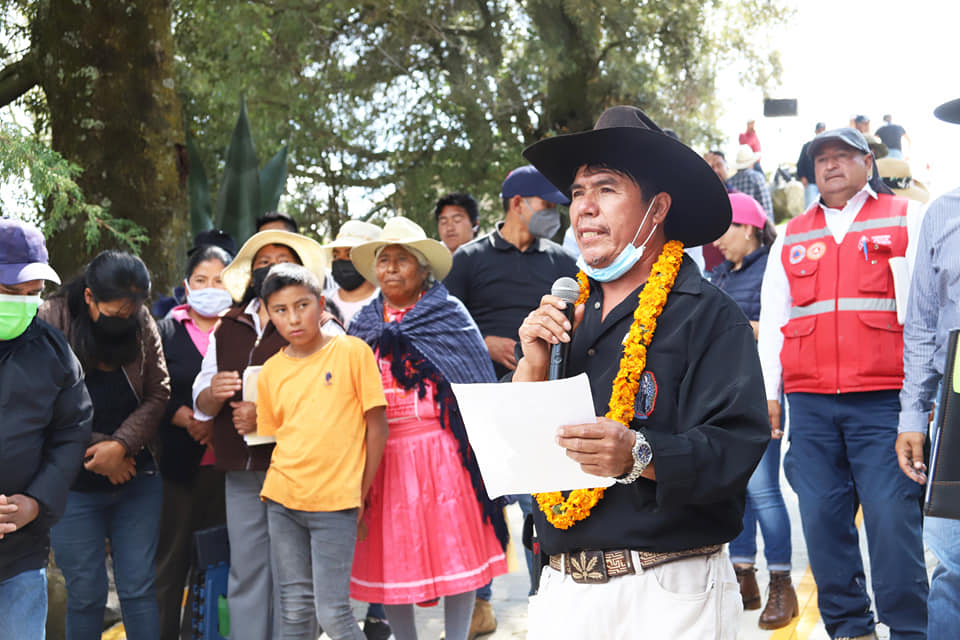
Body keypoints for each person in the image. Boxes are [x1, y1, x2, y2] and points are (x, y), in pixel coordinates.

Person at [515, 105, 769, 639]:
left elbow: (737, 446)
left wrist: (639, 454)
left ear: (657, 209)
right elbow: (526, 457)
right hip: (563, 589)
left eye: (605, 189)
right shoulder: (563, 315)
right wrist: (532, 367)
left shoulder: (707, 313)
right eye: (577, 193)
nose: (583, 208)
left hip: (668, 592)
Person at [758, 127, 928, 640]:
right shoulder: (790, 235)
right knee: (823, 523)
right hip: (809, 407)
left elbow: (923, 314)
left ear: (868, 163)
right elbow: (773, 318)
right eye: (822, 158)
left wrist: (918, 405)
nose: (831, 165)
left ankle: (908, 630)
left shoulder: (905, 218)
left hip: (883, 405)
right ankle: (850, 629)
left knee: (892, 523)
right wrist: (770, 393)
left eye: (843, 156)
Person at [348, 217, 509, 640]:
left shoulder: (447, 314)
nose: (390, 269)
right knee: (393, 558)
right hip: (383, 457)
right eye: (384, 260)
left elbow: (475, 381)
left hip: (442, 454)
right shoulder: (363, 323)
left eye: (401, 260)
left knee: (454, 552)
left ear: (424, 269)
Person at [192, 229, 328, 640]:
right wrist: (212, 393)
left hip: (299, 472)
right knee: (247, 569)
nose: (269, 267)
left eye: (280, 259)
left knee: (295, 575)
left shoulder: (324, 325)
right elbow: (200, 397)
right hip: (242, 470)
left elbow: (331, 398)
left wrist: (266, 417)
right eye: (261, 261)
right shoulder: (229, 325)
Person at [40, 251, 171, 640]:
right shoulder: (51, 318)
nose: (126, 319)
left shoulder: (141, 320)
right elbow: (41, 403)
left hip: (137, 476)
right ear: (88, 298)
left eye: (133, 311)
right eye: (115, 314)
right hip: (70, 486)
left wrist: (123, 445)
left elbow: (158, 393)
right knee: (86, 594)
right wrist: (102, 450)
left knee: (139, 589)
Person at [256, 264, 388, 639]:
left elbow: (377, 428)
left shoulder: (352, 353)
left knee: (333, 612)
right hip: (282, 501)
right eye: (280, 310)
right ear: (268, 314)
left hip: (335, 504)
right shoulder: (270, 371)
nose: (294, 318)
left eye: (302, 305)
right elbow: (279, 439)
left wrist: (359, 494)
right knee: (295, 610)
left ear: (321, 303)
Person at [0, 218, 93, 640]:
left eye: (33, 294)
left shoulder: (54, 351)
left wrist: (36, 502)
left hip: (21, 550)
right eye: (9, 292)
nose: (22, 302)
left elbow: (72, 431)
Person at [709, 194, 797, 630]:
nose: (718, 244)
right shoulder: (723, 273)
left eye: (724, 232)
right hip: (722, 394)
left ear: (747, 226)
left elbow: (782, 327)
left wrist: (732, 327)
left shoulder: (771, 267)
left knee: (763, 491)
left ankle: (781, 581)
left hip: (762, 392)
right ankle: (744, 575)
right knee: (735, 489)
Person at [895, 95, 960, 640]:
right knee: (955, 568)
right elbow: (920, 325)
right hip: (956, 420)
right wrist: (912, 416)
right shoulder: (943, 212)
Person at [155, 244, 234, 640]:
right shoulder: (165, 329)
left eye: (219, 279)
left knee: (218, 564)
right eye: (201, 280)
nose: (210, 287)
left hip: (229, 470)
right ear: (186, 286)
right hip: (177, 468)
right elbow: (153, 387)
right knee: (170, 564)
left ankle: (203, 635)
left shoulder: (242, 328)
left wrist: (215, 426)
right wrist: (190, 420)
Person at [444, 165, 577, 380]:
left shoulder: (566, 262)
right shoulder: (467, 258)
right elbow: (444, 324)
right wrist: (484, 343)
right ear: (517, 203)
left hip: (542, 386)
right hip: (479, 385)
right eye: (546, 205)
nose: (553, 215)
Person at [322, 220, 382, 328]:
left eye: (349, 254)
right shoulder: (323, 302)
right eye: (336, 255)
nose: (340, 261)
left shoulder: (385, 303)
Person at [727, 145, 774, 221]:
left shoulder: (729, 182)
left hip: (737, 225)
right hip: (755, 223)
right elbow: (766, 206)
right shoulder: (757, 177)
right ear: (751, 163)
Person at [797, 122, 827, 208]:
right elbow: (800, 163)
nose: (821, 132)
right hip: (811, 183)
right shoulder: (807, 146)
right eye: (819, 130)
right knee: (811, 208)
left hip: (825, 183)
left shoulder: (828, 147)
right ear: (816, 131)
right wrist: (802, 177)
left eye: (823, 130)